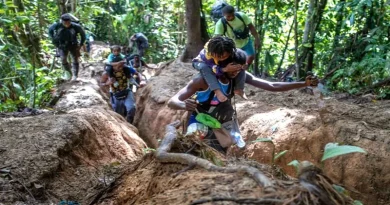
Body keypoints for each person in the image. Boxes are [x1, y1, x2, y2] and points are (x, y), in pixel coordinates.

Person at [168, 49, 318, 154]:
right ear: (222, 65)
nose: (236, 72)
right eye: (233, 67)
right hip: (199, 119)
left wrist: (303, 84)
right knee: (194, 148)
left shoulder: (238, 76)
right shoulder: (202, 80)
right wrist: (183, 105)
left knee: (219, 153)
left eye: (240, 69)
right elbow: (172, 101)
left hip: (222, 121)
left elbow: (272, 86)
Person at [193, 36, 246, 104]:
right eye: (219, 57)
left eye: (225, 57)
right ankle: (217, 92)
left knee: (240, 64)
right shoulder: (208, 57)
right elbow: (215, 70)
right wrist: (225, 69)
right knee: (205, 68)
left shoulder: (227, 50)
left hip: (217, 63)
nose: (222, 59)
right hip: (201, 63)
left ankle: (239, 89)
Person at [214, 5, 260, 70]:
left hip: (246, 41)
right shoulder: (221, 23)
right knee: (235, 63)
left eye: (232, 15)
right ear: (224, 15)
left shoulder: (241, 16)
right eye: (228, 16)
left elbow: (251, 27)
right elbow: (217, 37)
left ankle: (244, 69)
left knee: (251, 57)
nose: (231, 17)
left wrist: (257, 38)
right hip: (233, 46)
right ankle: (237, 73)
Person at [100, 59, 145, 124]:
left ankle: (130, 123)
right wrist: (108, 83)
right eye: (118, 66)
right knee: (119, 114)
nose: (121, 68)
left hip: (127, 91)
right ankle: (123, 125)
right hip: (116, 94)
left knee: (131, 108)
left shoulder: (126, 69)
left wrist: (141, 81)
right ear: (113, 66)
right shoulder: (107, 73)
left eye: (122, 65)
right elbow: (101, 84)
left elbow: (136, 74)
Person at [48, 13, 86, 81]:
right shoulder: (57, 26)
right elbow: (50, 31)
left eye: (68, 22)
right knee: (63, 59)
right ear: (62, 21)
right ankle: (69, 74)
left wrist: (81, 44)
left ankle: (75, 75)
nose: (67, 24)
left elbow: (83, 35)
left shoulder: (76, 26)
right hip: (61, 45)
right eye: (65, 22)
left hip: (73, 44)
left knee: (75, 59)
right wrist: (54, 39)